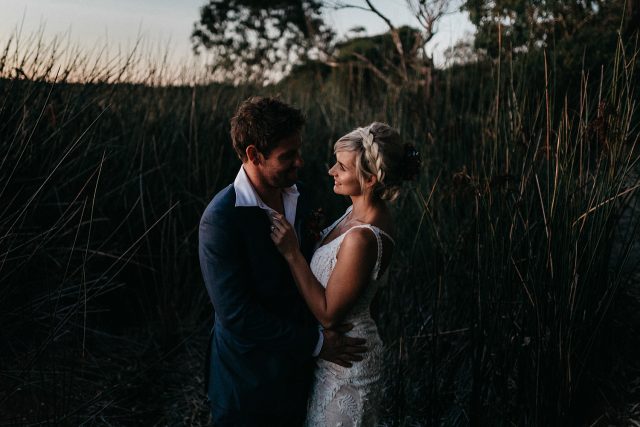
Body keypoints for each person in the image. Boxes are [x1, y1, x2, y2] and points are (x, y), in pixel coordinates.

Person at [198, 96, 367, 426]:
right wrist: (318, 343)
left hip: (302, 378)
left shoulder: (300, 195)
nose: (299, 162)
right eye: (287, 156)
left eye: (298, 152)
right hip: (248, 385)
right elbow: (237, 315)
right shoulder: (220, 220)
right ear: (253, 155)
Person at [270, 122, 420, 426]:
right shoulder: (357, 211)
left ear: (371, 178)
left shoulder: (363, 236)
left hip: (347, 362)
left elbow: (328, 314)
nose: (331, 171)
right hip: (334, 357)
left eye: (342, 167)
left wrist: (292, 253)